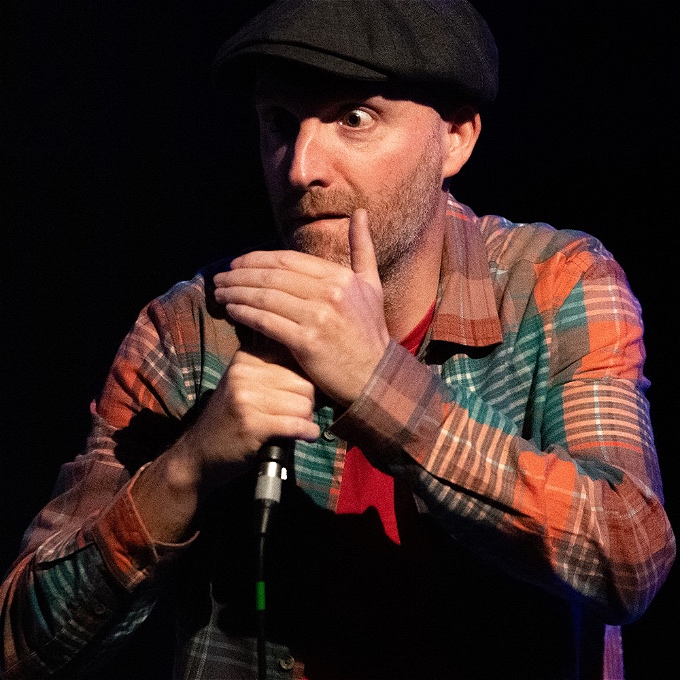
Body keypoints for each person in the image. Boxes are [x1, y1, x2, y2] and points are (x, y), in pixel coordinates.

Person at [1, 1, 675, 678]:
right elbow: (24, 650)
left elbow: (629, 554)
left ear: (458, 137)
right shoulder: (192, 332)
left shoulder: (551, 288)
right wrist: (187, 469)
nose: (300, 169)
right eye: (280, 123)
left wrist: (378, 384)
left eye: (354, 118)